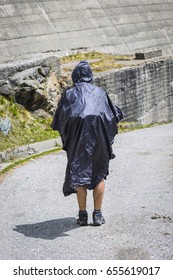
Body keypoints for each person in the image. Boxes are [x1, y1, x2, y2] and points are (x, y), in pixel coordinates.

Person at [51, 60, 123, 226]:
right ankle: (97, 215)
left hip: (78, 140)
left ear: (75, 76)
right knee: (99, 175)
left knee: (80, 174)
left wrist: (69, 135)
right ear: (90, 76)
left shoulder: (69, 94)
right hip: (99, 139)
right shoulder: (100, 92)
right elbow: (112, 115)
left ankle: (83, 215)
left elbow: (61, 119)